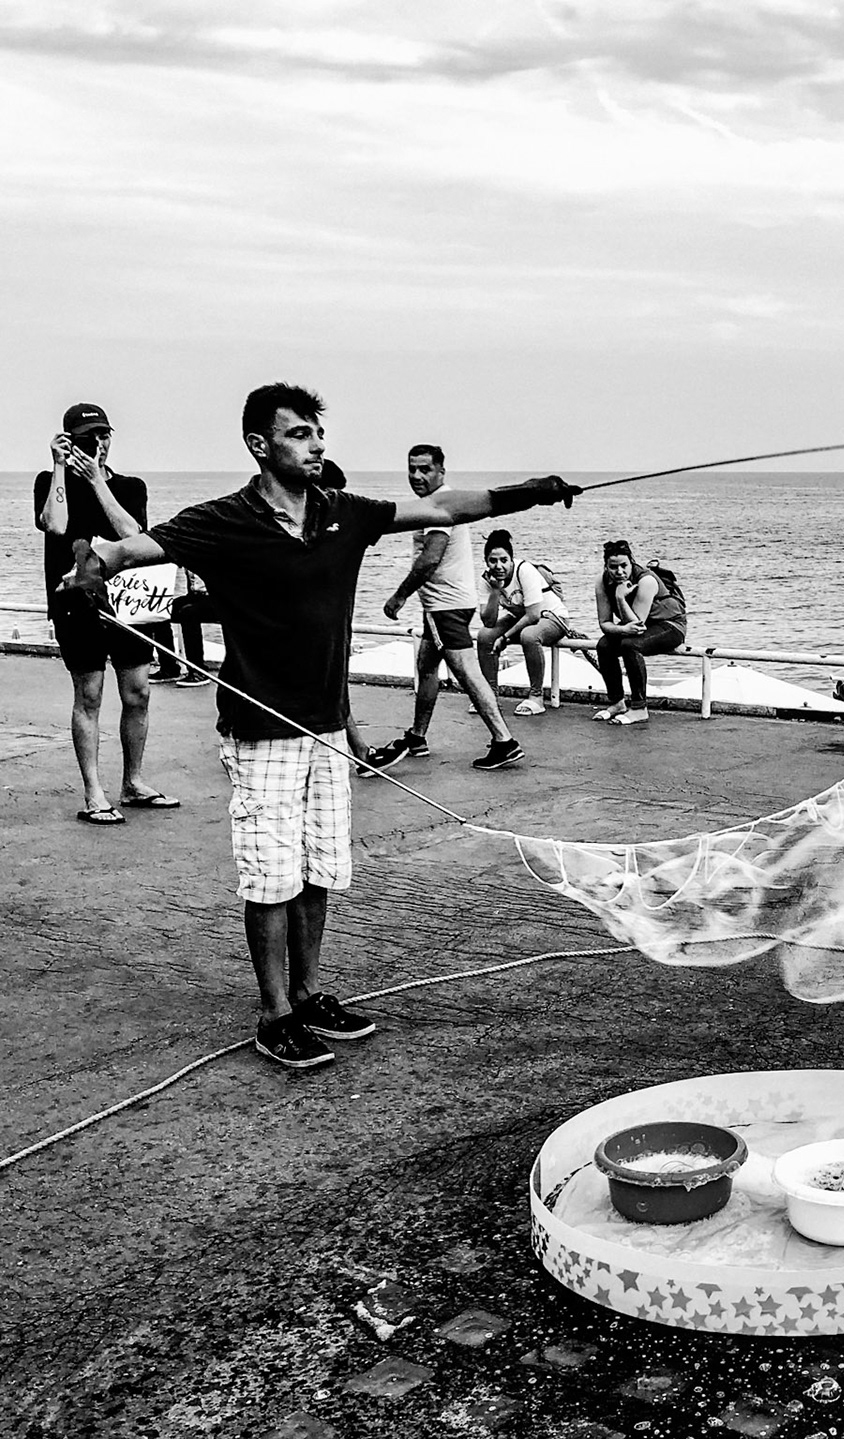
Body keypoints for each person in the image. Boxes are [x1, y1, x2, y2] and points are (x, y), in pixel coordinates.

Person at [61, 382, 578, 1069]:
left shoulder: (346, 512)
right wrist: (91, 566)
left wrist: (534, 491)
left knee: (318, 871)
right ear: (259, 445)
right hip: (259, 730)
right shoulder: (223, 521)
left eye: (317, 433)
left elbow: (445, 507)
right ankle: (273, 1014)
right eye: (299, 434)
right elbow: (129, 550)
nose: (316, 444)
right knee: (269, 877)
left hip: (327, 729)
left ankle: (307, 994)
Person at [32, 402, 178, 824]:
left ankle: (133, 781)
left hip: (129, 602)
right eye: (87, 437)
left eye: (104, 434)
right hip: (75, 604)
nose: (97, 443)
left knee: (138, 692)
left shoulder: (130, 486)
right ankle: (93, 791)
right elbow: (55, 525)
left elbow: (131, 533)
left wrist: (97, 480)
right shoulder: (49, 480)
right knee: (90, 695)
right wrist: (60, 468)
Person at [363, 446, 523, 772]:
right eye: (413, 469)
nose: (418, 476)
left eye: (425, 469)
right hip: (451, 603)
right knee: (426, 665)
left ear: (441, 472)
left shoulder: (441, 507)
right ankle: (418, 736)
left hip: (445, 606)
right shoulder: (440, 502)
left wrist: (398, 596)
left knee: (465, 671)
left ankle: (504, 741)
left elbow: (430, 558)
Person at [476, 530, 571, 717]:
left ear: (512, 559)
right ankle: (489, 697)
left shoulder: (524, 570)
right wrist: (496, 591)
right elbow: (488, 621)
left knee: (529, 635)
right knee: (484, 636)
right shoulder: (487, 580)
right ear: (486, 561)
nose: (499, 566)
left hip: (552, 617)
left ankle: (536, 697)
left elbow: (534, 615)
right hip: (520, 618)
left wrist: (505, 637)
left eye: (504, 560)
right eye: (492, 561)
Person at [592, 538, 686, 725]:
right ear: (606, 566)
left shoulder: (647, 581)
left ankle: (639, 708)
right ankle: (617, 703)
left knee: (629, 645)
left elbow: (637, 625)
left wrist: (620, 598)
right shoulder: (601, 582)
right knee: (603, 645)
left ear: (632, 562)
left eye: (624, 566)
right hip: (636, 626)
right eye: (613, 567)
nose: (619, 572)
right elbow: (604, 623)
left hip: (670, 625)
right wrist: (620, 628)